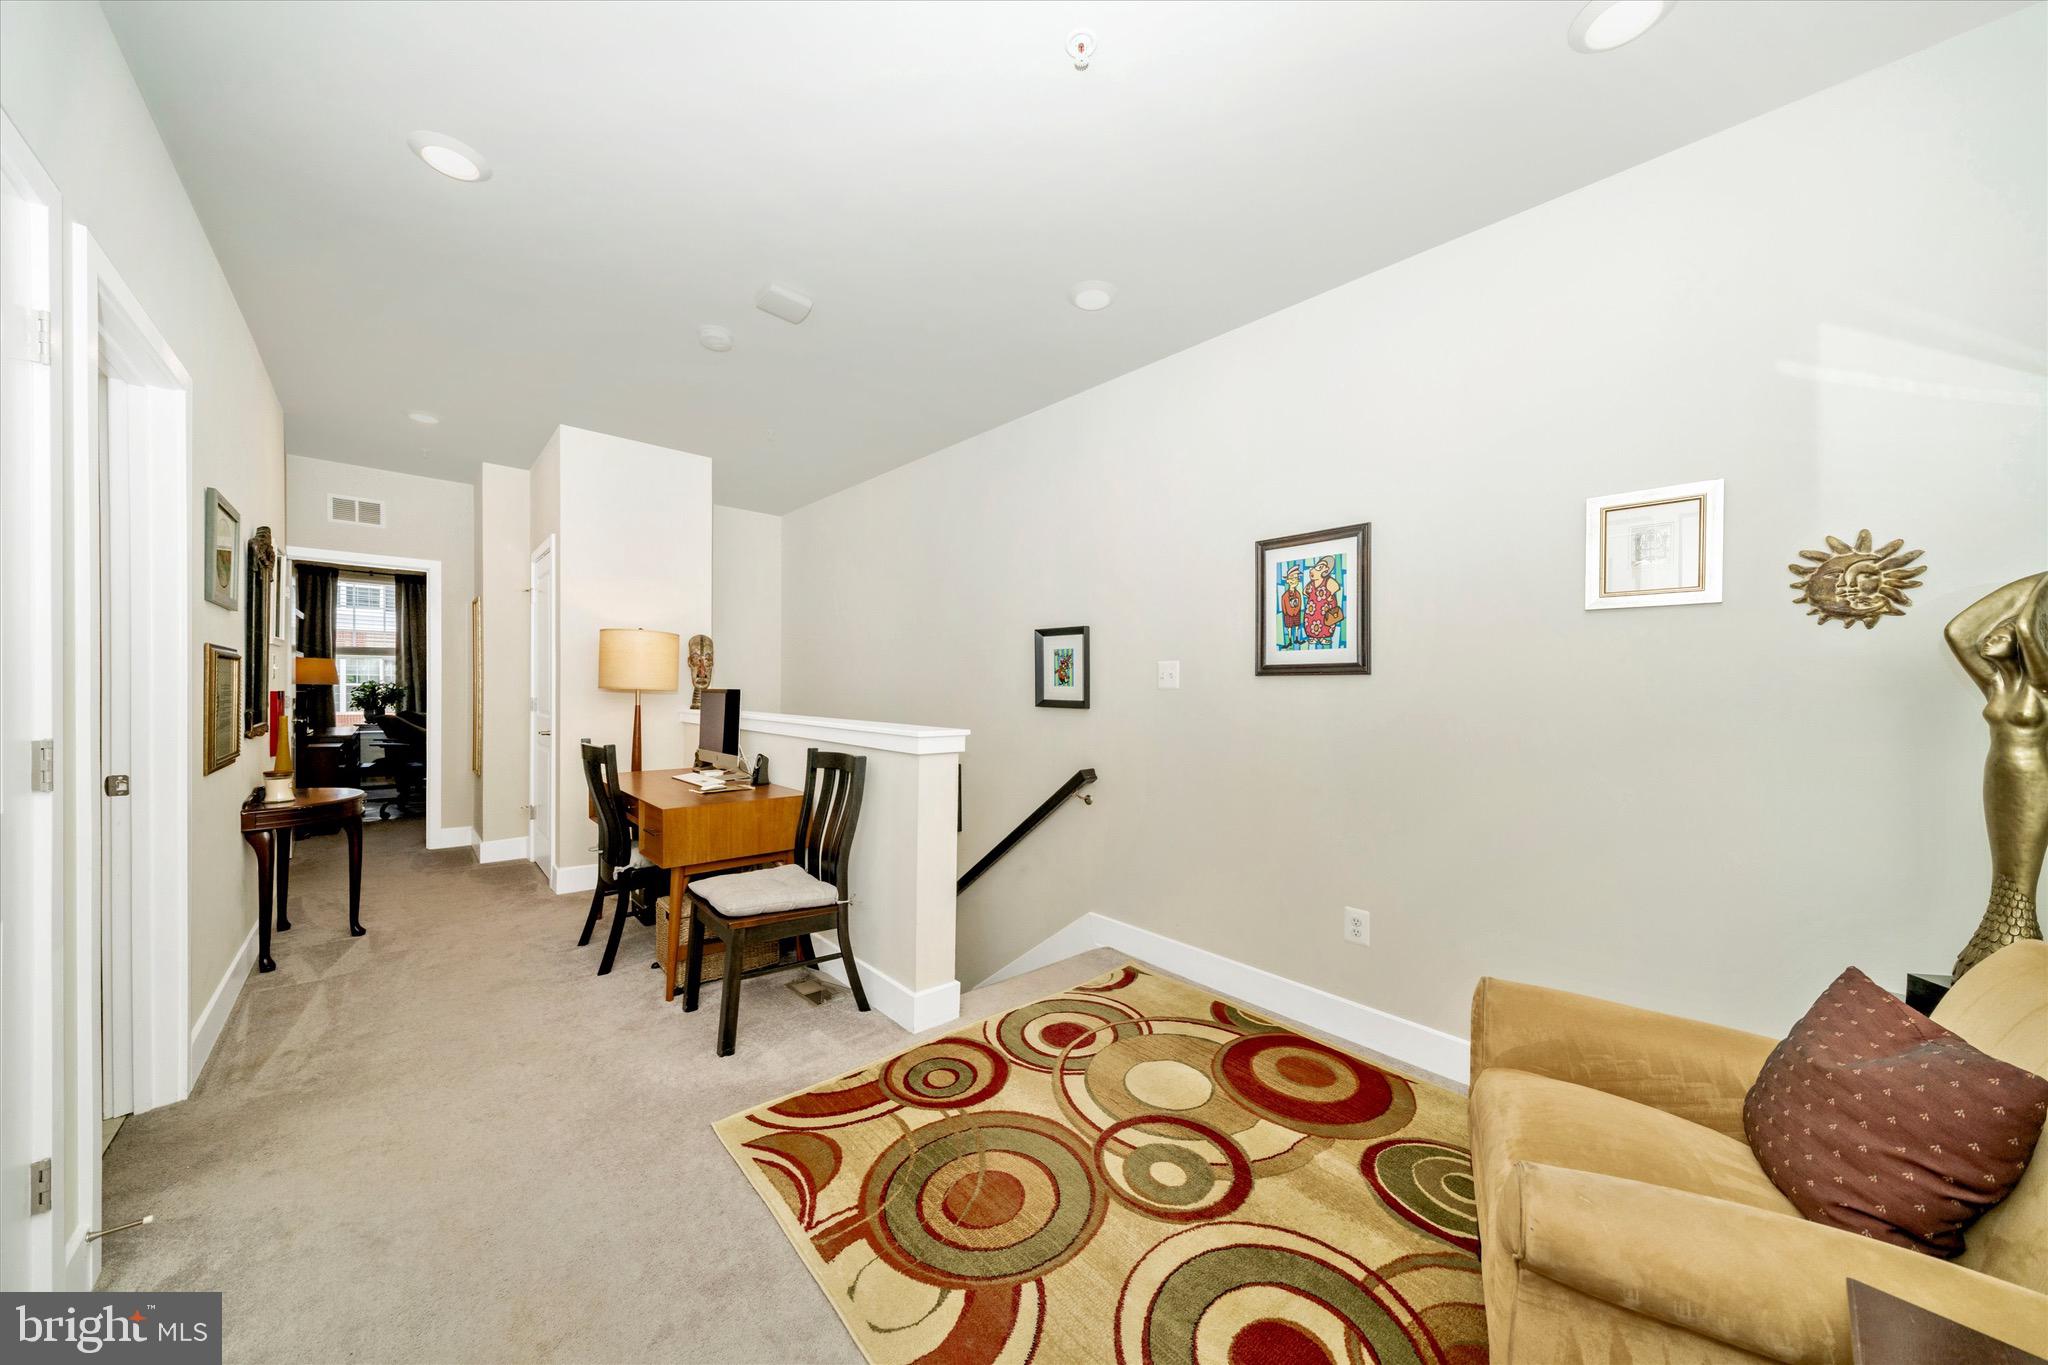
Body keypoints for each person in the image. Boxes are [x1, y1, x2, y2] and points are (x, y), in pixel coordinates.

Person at [1945, 572, 2048, 974]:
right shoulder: (1995, 683)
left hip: (2036, 779)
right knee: (2002, 868)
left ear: (2024, 643)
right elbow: (1958, 632)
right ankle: (2001, 941)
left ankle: (2018, 948)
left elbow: (2027, 626)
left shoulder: (2041, 684)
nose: (1990, 636)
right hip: (2000, 774)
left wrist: (2040, 591)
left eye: (2000, 633)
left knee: (2021, 876)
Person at [1303, 555, 1344, 648]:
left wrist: (1330, 596)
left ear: (1325, 571)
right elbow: (1305, 591)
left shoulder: (1328, 581)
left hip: (1325, 608)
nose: (1312, 571)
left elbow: (1336, 587)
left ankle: (1324, 637)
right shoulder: (1311, 584)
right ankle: (1313, 637)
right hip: (1312, 609)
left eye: (1319, 568)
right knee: (1310, 620)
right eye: (1314, 568)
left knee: (1325, 621)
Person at [1280, 566, 1306, 648]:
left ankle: (1297, 639)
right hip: (1288, 614)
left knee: (1297, 626)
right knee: (1289, 627)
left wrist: (1296, 610)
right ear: (1287, 580)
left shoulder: (1298, 593)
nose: (1293, 580)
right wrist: (1287, 612)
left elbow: (1299, 603)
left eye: (1296, 578)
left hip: (1296, 613)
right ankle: (1290, 641)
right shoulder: (1285, 595)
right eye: (1291, 578)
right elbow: (1284, 606)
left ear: (1298, 581)